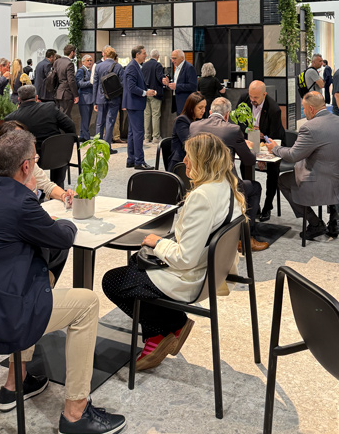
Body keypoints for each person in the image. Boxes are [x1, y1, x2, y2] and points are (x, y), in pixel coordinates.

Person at [0, 129, 127, 434]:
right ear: (26, 166)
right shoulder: (19, 202)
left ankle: (14, 383)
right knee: (86, 304)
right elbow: (62, 237)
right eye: (35, 159)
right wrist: (63, 219)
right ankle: (76, 414)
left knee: (33, 281)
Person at [102, 133, 245, 371]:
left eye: (189, 156)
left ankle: (168, 328)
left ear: (202, 161)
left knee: (112, 281)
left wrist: (158, 242)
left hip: (192, 277)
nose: (184, 160)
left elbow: (185, 258)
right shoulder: (226, 187)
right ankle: (162, 332)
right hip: (212, 271)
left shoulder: (203, 197)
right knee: (136, 264)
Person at [265, 92, 339, 241]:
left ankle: (315, 223)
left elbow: (293, 155)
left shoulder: (310, 127)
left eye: (304, 108)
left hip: (326, 184)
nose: (304, 111)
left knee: (282, 181)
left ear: (311, 109)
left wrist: (275, 148)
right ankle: (334, 218)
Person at [189, 97, 268, 251]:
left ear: (210, 112)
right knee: (255, 187)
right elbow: (249, 160)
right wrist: (249, 146)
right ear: (227, 115)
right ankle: (246, 238)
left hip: (201, 183)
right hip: (226, 185)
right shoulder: (232, 130)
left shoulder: (194, 126)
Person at [0, 120, 75, 209]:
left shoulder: (26, 161)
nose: (24, 145)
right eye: (18, 140)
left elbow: (47, 185)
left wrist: (64, 195)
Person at [6, 85, 76, 188]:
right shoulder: (50, 108)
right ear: (36, 97)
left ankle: (34, 190)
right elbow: (70, 126)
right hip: (56, 155)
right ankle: (58, 186)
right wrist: (67, 142)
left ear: (19, 99)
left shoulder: (12, 118)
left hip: (30, 159)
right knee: (58, 150)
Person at [236, 80, 285, 223]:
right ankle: (252, 203)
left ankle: (268, 206)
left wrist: (263, 155)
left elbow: (274, 135)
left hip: (270, 140)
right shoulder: (244, 99)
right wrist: (248, 130)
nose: (252, 100)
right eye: (251, 96)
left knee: (273, 170)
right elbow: (238, 120)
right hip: (250, 139)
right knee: (244, 164)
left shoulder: (273, 109)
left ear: (264, 94)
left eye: (256, 97)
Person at [123, 45, 157, 169]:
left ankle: (131, 159)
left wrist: (146, 91)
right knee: (138, 133)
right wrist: (145, 93)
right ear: (137, 54)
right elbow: (131, 87)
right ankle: (139, 161)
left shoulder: (135, 66)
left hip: (134, 104)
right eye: (144, 53)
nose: (146, 55)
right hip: (135, 104)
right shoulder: (132, 67)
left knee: (132, 133)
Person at [93, 47, 125, 154]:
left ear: (104, 55)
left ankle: (98, 147)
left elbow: (95, 84)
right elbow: (122, 84)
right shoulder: (118, 66)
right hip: (114, 98)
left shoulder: (98, 66)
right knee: (110, 122)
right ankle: (107, 147)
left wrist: (95, 101)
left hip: (100, 97)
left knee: (99, 123)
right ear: (114, 55)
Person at [168, 92, 207, 171]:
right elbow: (188, 143)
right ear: (191, 107)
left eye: (204, 107)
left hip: (193, 160)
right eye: (200, 108)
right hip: (181, 162)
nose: (203, 110)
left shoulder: (198, 120)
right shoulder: (181, 120)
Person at [163, 50, 198, 115]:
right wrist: (168, 83)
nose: (172, 60)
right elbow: (176, 83)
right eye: (172, 58)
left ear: (182, 58)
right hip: (177, 102)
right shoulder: (176, 68)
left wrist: (177, 86)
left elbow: (193, 86)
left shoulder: (189, 68)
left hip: (186, 103)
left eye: (174, 58)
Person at [142, 49, 164, 144]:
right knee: (155, 115)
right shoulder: (157, 65)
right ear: (158, 56)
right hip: (155, 93)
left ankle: (147, 137)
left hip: (146, 92)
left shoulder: (144, 65)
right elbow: (160, 78)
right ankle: (155, 137)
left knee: (146, 115)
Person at [54, 44, 79, 117]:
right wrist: (76, 95)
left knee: (61, 115)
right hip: (66, 93)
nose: (75, 54)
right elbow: (71, 80)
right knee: (65, 116)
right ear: (72, 52)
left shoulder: (57, 61)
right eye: (75, 52)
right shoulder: (69, 63)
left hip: (58, 92)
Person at [75, 54, 94, 142]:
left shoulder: (89, 71)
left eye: (90, 60)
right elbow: (80, 84)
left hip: (89, 98)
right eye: (88, 60)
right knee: (85, 118)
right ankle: (86, 137)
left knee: (87, 119)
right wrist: (91, 82)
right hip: (84, 98)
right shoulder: (81, 71)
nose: (89, 62)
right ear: (83, 62)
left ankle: (83, 135)